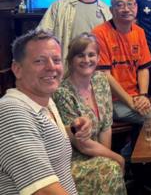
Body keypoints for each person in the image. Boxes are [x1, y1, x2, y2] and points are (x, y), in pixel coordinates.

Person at [0, 30, 91, 194]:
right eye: (39, 61)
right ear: (17, 69)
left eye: (56, 60)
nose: (51, 67)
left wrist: (73, 129)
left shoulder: (45, 102)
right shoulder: (11, 112)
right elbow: (44, 191)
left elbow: (41, 135)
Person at [52, 33, 127, 194]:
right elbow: (81, 143)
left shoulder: (101, 80)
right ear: (71, 60)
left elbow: (106, 127)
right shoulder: (62, 92)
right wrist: (116, 158)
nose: (87, 60)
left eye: (91, 55)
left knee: (110, 167)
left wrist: (106, 158)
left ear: (98, 58)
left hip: (98, 152)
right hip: (73, 158)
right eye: (80, 56)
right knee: (113, 167)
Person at [92, 0, 151, 127]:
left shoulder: (139, 32)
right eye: (120, 5)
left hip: (134, 96)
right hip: (108, 100)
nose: (126, 9)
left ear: (136, 8)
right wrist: (131, 103)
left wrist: (143, 96)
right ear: (111, 10)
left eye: (130, 4)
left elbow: (143, 69)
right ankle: (131, 149)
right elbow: (105, 75)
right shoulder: (99, 33)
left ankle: (129, 149)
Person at [38, 0, 112, 63]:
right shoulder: (59, 6)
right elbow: (42, 36)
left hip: (97, 71)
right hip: (68, 72)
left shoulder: (106, 11)